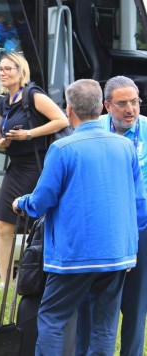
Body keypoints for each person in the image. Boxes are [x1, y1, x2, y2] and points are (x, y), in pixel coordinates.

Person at [13, 78, 147, 355]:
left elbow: (40, 202)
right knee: (105, 325)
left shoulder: (62, 148)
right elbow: (138, 202)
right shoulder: (124, 147)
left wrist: (20, 203)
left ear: (69, 109)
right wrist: (130, 248)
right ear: (103, 108)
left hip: (73, 256)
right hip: (117, 254)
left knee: (52, 318)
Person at [75, 76, 147, 356]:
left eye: (135, 101)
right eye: (122, 103)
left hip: (140, 224)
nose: (130, 109)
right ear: (106, 106)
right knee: (90, 300)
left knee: (135, 302)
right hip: (102, 226)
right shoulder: (92, 130)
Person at [0, 52, 68, 289]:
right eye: (0, 69)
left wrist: (28, 134)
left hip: (36, 166)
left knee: (34, 224)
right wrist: (3, 143)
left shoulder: (32, 95)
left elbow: (62, 120)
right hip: (15, 166)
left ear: (20, 71)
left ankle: (36, 275)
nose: (3, 73)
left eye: (8, 69)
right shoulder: (4, 103)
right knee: (3, 224)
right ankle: (6, 281)